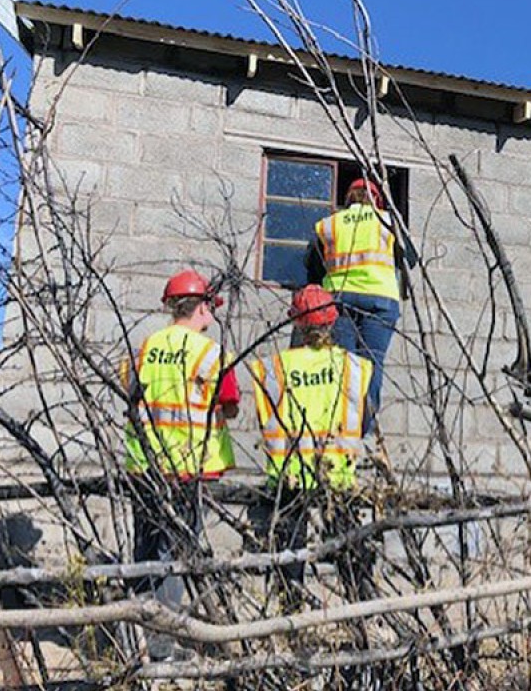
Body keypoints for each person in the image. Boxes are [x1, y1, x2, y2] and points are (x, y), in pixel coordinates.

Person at [121, 269, 238, 660]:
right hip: (188, 468)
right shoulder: (210, 353)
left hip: (145, 467)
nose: (212, 316)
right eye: (211, 308)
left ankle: (137, 638)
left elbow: (131, 395)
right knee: (172, 556)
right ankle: (161, 647)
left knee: (145, 551)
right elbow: (231, 405)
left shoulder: (143, 348)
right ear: (201, 307)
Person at [249, 285, 373, 609]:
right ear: (332, 323)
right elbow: (363, 419)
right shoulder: (355, 368)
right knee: (350, 553)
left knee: (289, 554)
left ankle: (291, 615)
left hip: (289, 477)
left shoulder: (273, 368)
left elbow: (265, 421)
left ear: (296, 324)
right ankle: (362, 612)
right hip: (337, 476)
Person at [311, 178, 400, 435]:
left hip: (339, 300)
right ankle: (365, 430)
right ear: (376, 200)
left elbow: (313, 265)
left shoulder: (329, 224)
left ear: (348, 198)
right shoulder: (388, 221)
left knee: (343, 366)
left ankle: (341, 428)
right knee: (371, 364)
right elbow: (409, 258)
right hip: (380, 300)